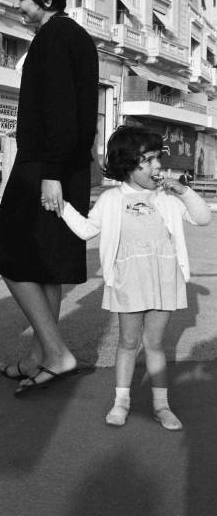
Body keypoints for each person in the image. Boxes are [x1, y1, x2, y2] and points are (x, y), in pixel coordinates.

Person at [0, 0, 99, 395]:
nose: (19, 6)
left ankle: (56, 353)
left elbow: (59, 113)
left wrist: (50, 173)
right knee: (45, 266)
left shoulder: (53, 38)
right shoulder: (76, 37)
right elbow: (75, 115)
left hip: (44, 170)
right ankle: (39, 356)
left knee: (11, 260)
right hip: (62, 168)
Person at [61, 125, 211, 429]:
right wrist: (62, 206)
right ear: (128, 163)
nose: (158, 165)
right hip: (128, 280)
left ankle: (161, 406)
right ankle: (121, 402)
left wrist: (183, 190)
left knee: (154, 343)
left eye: (158, 158)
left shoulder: (168, 197)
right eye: (150, 159)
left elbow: (203, 217)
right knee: (128, 342)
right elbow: (86, 230)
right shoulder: (111, 199)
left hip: (163, 279)